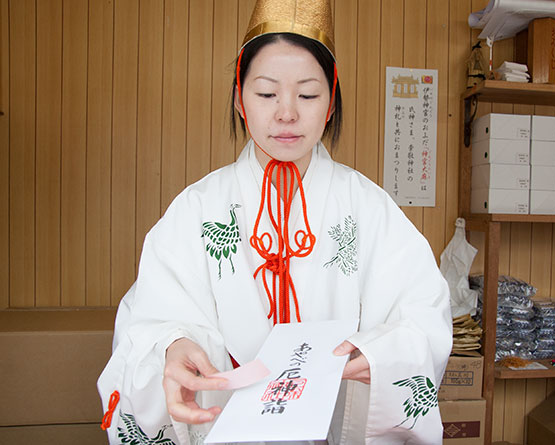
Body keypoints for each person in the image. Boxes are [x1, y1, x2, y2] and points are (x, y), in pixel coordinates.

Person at [97, 0, 452, 443]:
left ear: (330, 101)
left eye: (307, 94)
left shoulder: (369, 208)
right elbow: (148, 318)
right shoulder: (197, 209)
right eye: (266, 93)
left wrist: (380, 352)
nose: (286, 113)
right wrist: (172, 347)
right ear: (239, 98)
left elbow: (422, 313)